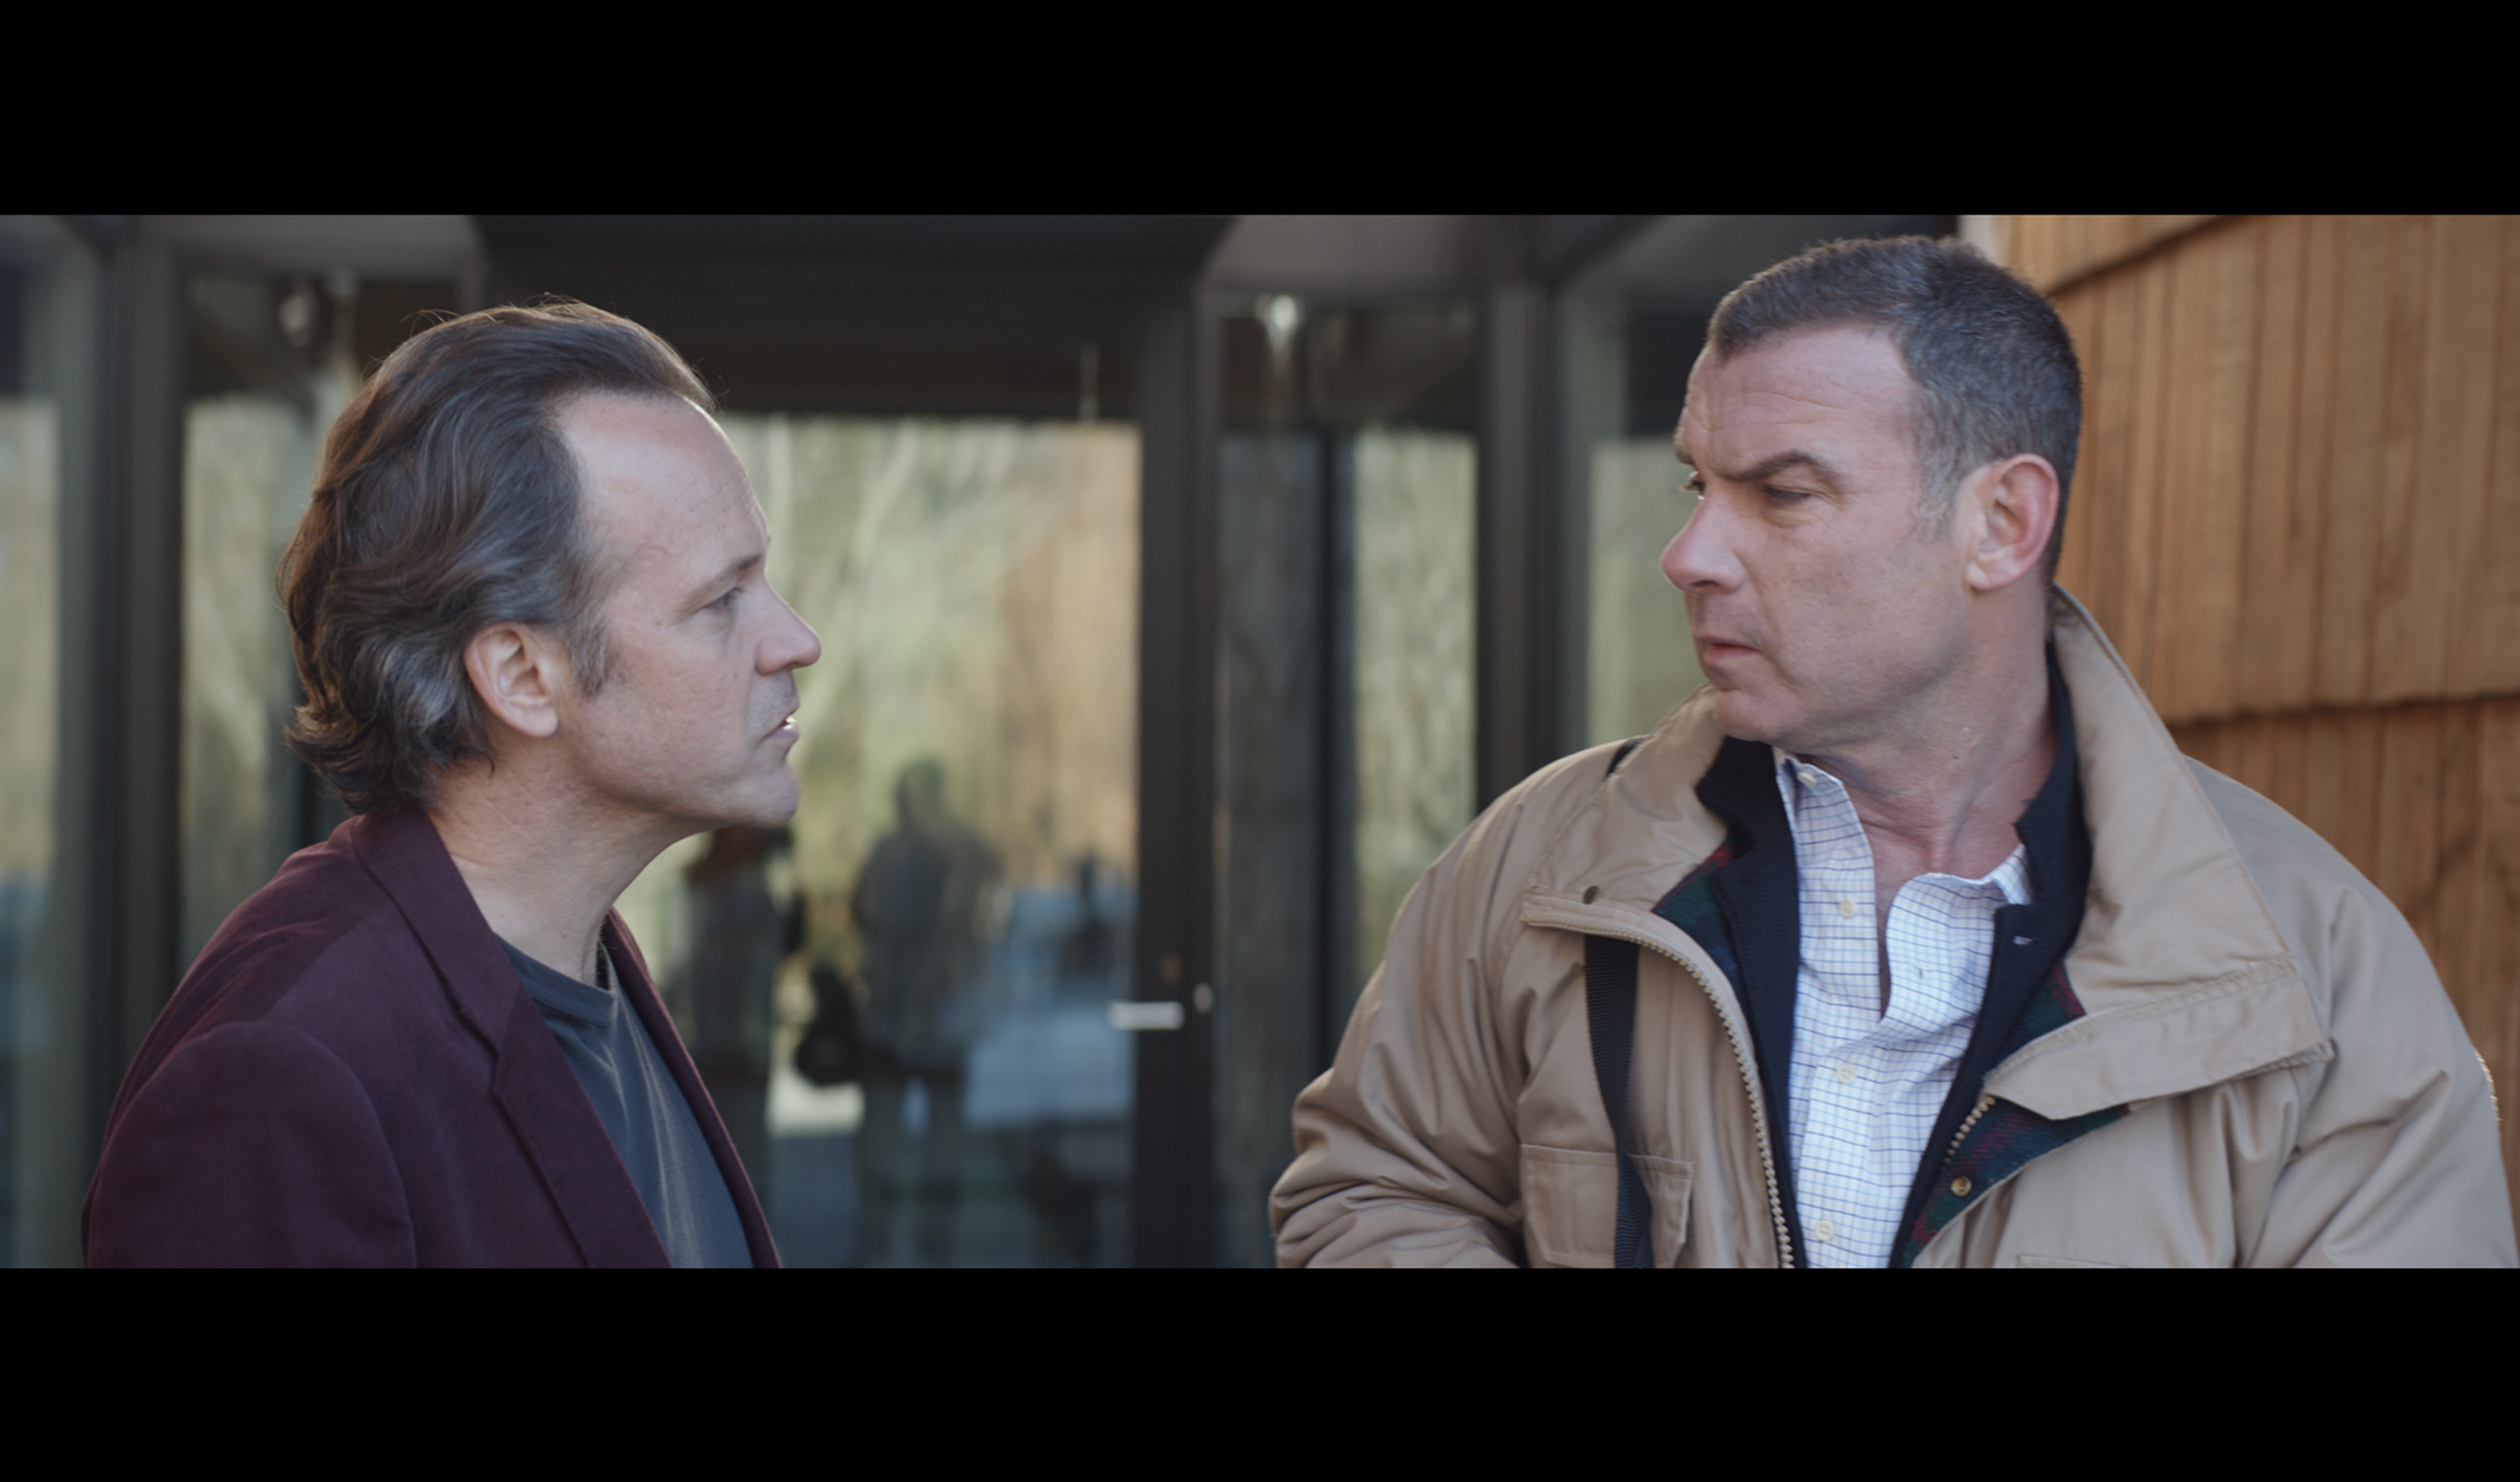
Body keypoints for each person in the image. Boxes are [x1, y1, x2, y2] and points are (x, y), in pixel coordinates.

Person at [1273, 237, 2516, 1268]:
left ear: (2001, 522)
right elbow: (1371, 1194)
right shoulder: (1537, 867)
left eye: (1784, 493)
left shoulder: (2315, 975)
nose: (1690, 554)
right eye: (1696, 484)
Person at [85, 301, 822, 1267]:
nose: (796, 639)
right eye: (720, 600)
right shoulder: (283, 1071)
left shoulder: (584, 959)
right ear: (519, 675)